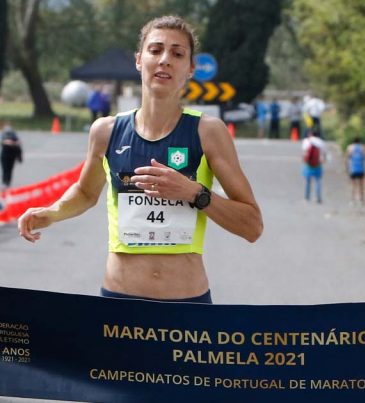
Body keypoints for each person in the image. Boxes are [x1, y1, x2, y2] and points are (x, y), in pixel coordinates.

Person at [17, 15, 263, 304]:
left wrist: (194, 193)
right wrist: (52, 212)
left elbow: (252, 226)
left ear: (191, 68)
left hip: (187, 303)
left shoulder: (208, 132)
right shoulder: (106, 131)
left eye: (178, 53)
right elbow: (85, 193)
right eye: (155, 50)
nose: (165, 60)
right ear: (139, 60)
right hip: (120, 302)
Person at [302, 129, 325, 203]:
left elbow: (304, 152)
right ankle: (317, 198)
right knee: (317, 181)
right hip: (318, 163)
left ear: (310, 134)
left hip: (308, 164)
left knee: (308, 181)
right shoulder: (321, 142)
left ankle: (306, 197)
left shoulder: (306, 141)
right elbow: (324, 153)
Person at [1, 121, 22, 190]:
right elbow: (3, 141)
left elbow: (18, 142)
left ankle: (8, 182)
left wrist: (12, 143)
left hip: (12, 154)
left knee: (10, 169)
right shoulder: (3, 134)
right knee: (5, 169)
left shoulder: (13, 134)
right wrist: (10, 142)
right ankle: (5, 182)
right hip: (5, 154)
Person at [345, 137, 365, 204]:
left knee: (353, 185)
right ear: (359, 142)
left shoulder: (350, 147)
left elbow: (347, 157)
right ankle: (361, 199)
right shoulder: (362, 147)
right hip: (361, 168)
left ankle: (352, 200)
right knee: (361, 185)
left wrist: (347, 168)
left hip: (353, 168)